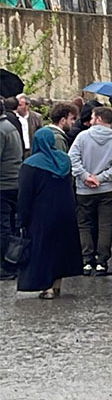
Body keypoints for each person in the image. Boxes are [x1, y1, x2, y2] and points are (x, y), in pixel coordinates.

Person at [16, 127, 83, 299]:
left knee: (44, 249)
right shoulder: (64, 160)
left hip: (42, 213)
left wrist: (21, 218)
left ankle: (47, 287)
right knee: (60, 248)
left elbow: (25, 194)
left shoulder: (31, 164)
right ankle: (56, 284)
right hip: (65, 211)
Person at [69, 107, 112, 276]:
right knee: (106, 225)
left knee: (85, 224)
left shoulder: (82, 137)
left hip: (84, 189)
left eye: (94, 117)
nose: (91, 119)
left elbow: (72, 158)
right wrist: (102, 178)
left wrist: (86, 176)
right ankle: (102, 261)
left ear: (99, 119)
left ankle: (86, 260)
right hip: (108, 189)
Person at [0, 114, 21, 281]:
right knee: (11, 224)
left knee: (3, 226)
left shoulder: (1, 130)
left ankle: (5, 265)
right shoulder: (9, 126)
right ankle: (12, 261)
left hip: (3, 184)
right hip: (13, 182)